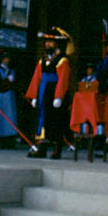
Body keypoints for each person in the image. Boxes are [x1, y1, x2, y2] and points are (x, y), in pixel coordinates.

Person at [26, 28, 73, 158]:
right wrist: (34, 95)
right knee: (42, 120)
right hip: (43, 92)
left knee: (55, 121)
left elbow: (63, 79)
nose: (47, 44)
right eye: (46, 42)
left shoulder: (62, 60)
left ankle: (57, 149)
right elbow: (37, 78)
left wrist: (59, 96)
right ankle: (42, 148)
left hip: (54, 93)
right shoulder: (43, 60)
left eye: (50, 42)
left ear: (57, 44)